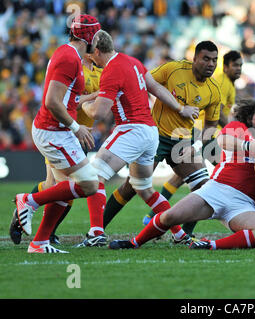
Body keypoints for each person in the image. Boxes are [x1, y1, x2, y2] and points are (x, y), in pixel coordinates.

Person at [78, 30, 198, 247]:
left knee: (94, 176)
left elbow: (98, 113)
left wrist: (82, 104)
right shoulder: (132, 62)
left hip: (131, 129)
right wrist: (181, 108)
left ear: (96, 50)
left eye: (89, 53)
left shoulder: (111, 70)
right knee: (143, 187)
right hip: (150, 132)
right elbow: (157, 88)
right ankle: (179, 233)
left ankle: (96, 232)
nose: (88, 57)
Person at [108, 96, 255, 250]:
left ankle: (209, 245)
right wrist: (248, 146)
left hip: (243, 203)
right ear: (249, 118)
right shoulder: (238, 128)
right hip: (217, 190)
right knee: (170, 217)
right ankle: (134, 243)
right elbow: (222, 140)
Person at [102, 40, 222, 240]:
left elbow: (211, 126)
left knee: (204, 188)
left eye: (214, 60)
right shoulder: (174, 69)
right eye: (206, 59)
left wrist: (197, 146)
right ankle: (97, 229)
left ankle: (184, 235)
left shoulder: (214, 90)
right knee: (131, 187)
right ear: (195, 59)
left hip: (183, 142)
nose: (211, 64)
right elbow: (143, 82)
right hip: (155, 136)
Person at [13, 14, 102, 253]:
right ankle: (29, 201)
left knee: (65, 189)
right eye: (97, 34)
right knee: (89, 185)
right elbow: (53, 102)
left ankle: (39, 242)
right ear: (89, 36)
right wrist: (77, 127)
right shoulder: (69, 59)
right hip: (54, 131)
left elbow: (66, 98)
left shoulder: (70, 54)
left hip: (56, 129)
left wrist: (88, 101)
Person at [141, 50, 243, 230]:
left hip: (200, 133)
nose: (238, 69)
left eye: (241, 66)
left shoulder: (229, 85)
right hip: (202, 134)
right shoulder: (220, 82)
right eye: (235, 65)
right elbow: (217, 113)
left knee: (182, 177)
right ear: (225, 67)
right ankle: (231, 214)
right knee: (220, 177)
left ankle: (152, 217)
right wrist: (232, 131)